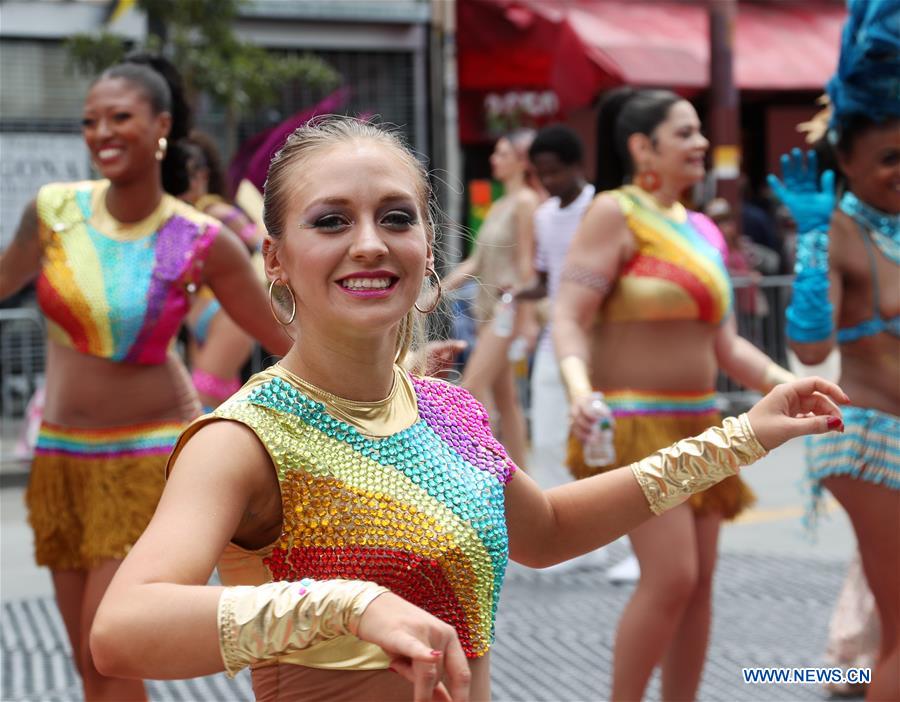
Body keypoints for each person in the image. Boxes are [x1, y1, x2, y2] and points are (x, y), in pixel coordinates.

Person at [86, 115, 846, 702]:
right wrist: (349, 604)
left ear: (428, 245)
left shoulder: (448, 410)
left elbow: (545, 531)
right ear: (275, 258)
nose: (369, 245)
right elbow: (122, 631)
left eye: (395, 217)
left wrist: (741, 436)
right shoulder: (247, 436)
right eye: (330, 221)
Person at [0, 53, 291, 701]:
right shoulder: (53, 212)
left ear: (160, 126)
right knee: (85, 656)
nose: (101, 132)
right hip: (61, 461)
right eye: (89, 120)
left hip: (148, 461)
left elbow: (281, 337)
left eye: (119, 118)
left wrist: (389, 372)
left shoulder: (198, 237)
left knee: (111, 655)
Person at [552, 88, 801, 702]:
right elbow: (569, 316)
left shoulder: (705, 230)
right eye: (685, 133)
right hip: (637, 427)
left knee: (700, 583)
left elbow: (727, 345)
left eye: (699, 133)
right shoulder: (615, 211)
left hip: (706, 425)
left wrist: (783, 382)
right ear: (643, 147)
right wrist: (580, 390)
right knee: (672, 578)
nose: (700, 144)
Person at [768, 2, 899, 698]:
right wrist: (814, 239)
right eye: (888, 158)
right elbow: (809, 342)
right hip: (869, 442)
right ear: (845, 157)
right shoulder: (844, 230)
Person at [443, 130, 540, 468]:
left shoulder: (527, 202)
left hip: (508, 308)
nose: (494, 159)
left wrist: (528, 321)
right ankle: (524, 481)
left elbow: (528, 264)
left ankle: (477, 471)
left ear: (521, 161)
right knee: (506, 400)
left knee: (470, 390)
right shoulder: (500, 203)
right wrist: (437, 288)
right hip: (485, 309)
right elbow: (476, 261)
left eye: (501, 153)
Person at [514, 124, 594, 484]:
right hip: (553, 340)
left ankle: (606, 538)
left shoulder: (600, 207)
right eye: (541, 173)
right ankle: (561, 527)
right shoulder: (544, 216)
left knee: (595, 440)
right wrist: (517, 293)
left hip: (596, 340)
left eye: (555, 171)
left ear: (577, 165)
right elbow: (546, 282)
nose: (548, 180)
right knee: (546, 440)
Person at [180, 131, 264, 412]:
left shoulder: (213, 210)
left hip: (224, 313)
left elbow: (260, 242)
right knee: (212, 402)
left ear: (202, 176)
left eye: (186, 173)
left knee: (201, 400)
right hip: (195, 314)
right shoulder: (175, 215)